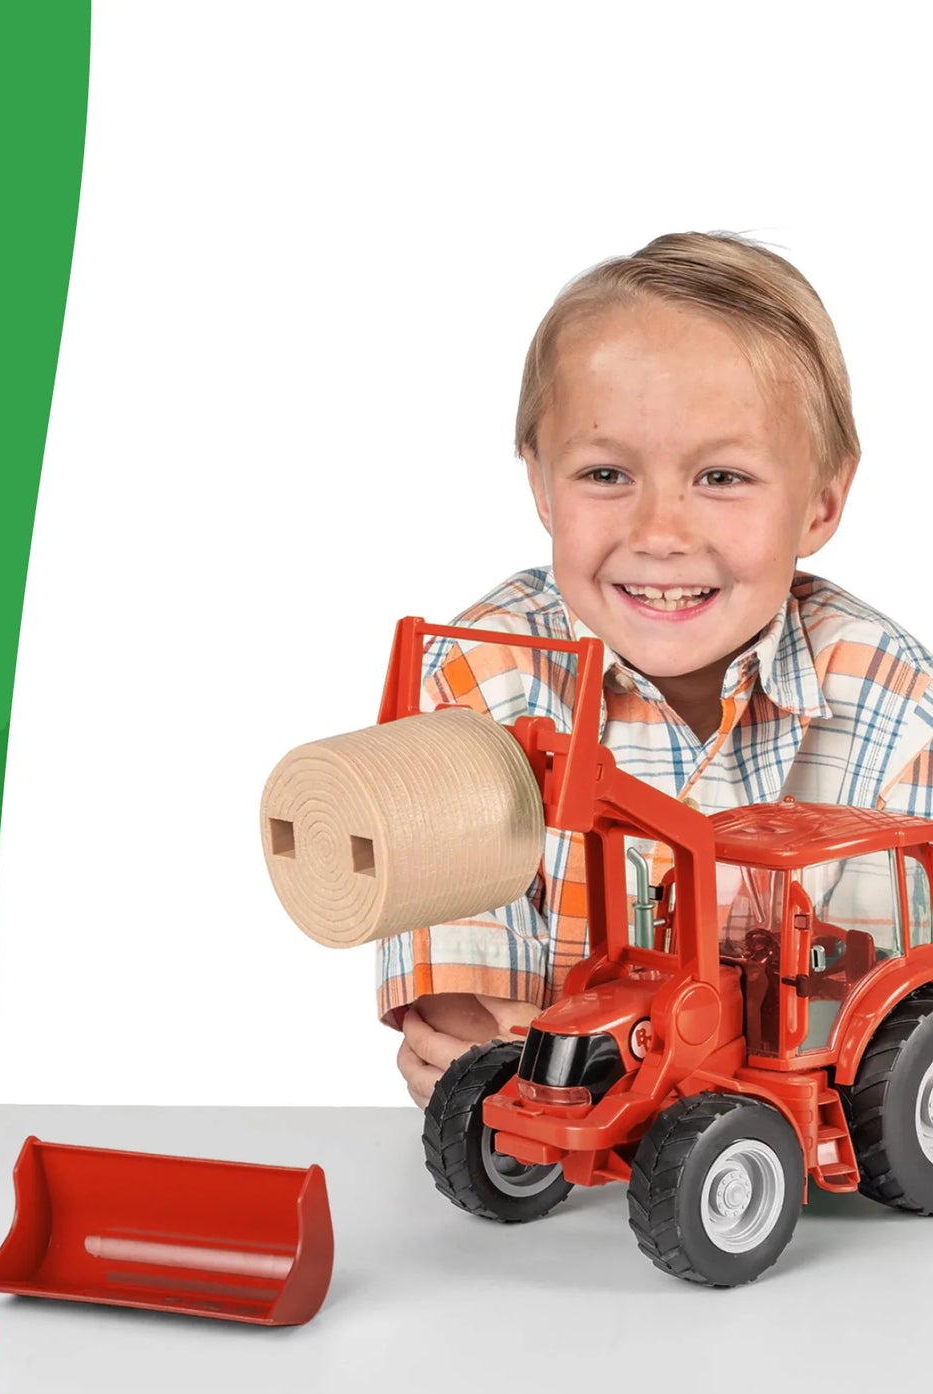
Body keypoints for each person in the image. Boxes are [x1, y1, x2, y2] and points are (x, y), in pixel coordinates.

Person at [384, 231, 933, 1108]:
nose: (661, 532)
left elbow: (878, 1031)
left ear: (823, 501)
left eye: (721, 476)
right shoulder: (483, 670)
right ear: (540, 484)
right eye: (606, 473)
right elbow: (467, 1014)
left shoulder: (885, 692)